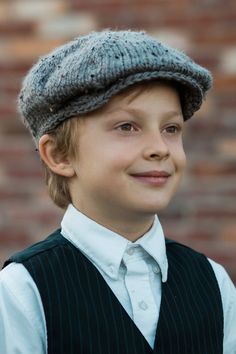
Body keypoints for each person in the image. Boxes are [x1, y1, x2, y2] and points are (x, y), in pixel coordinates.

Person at [0, 29, 235, 354]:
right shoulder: (22, 291)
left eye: (171, 129)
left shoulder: (214, 284)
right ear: (59, 155)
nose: (159, 148)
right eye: (127, 127)